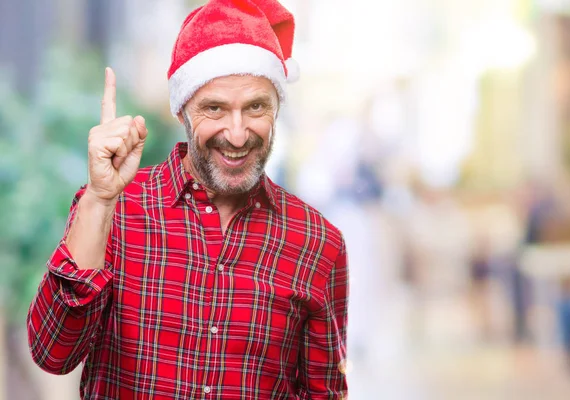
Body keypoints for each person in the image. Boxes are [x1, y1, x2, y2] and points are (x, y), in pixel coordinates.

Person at [26, 1, 349, 398]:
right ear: (183, 112)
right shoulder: (114, 209)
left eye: (256, 107)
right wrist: (99, 198)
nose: (236, 133)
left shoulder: (319, 243)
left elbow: (324, 393)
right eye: (214, 108)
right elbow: (52, 353)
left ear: (277, 108)